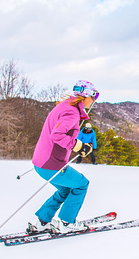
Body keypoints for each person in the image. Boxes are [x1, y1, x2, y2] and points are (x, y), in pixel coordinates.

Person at [27, 80, 98, 233]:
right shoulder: (71, 112)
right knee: (81, 184)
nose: (94, 100)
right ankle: (66, 223)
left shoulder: (65, 106)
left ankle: (42, 221)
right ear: (86, 96)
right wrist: (79, 146)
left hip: (41, 163)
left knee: (66, 189)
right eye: (94, 96)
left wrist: (78, 144)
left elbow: (61, 133)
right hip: (51, 164)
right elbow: (57, 135)